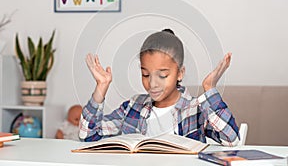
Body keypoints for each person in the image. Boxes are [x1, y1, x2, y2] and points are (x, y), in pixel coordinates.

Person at [79, 29, 240, 146]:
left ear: (180, 73)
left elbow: (231, 139)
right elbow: (88, 136)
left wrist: (209, 88)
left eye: (162, 75)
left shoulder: (196, 109)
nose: (153, 83)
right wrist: (101, 87)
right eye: (145, 74)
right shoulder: (133, 106)